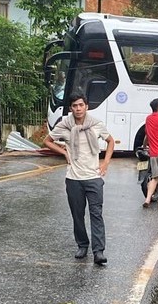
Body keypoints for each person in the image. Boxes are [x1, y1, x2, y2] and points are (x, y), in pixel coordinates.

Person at [44, 92, 115, 264]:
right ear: (71, 108)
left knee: (96, 214)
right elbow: (48, 141)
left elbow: (110, 141)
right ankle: (82, 245)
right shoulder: (65, 125)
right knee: (77, 214)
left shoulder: (96, 125)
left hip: (93, 177)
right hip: (73, 178)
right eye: (75, 106)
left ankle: (98, 251)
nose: (78, 108)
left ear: (86, 106)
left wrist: (105, 163)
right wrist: (64, 153)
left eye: (81, 105)